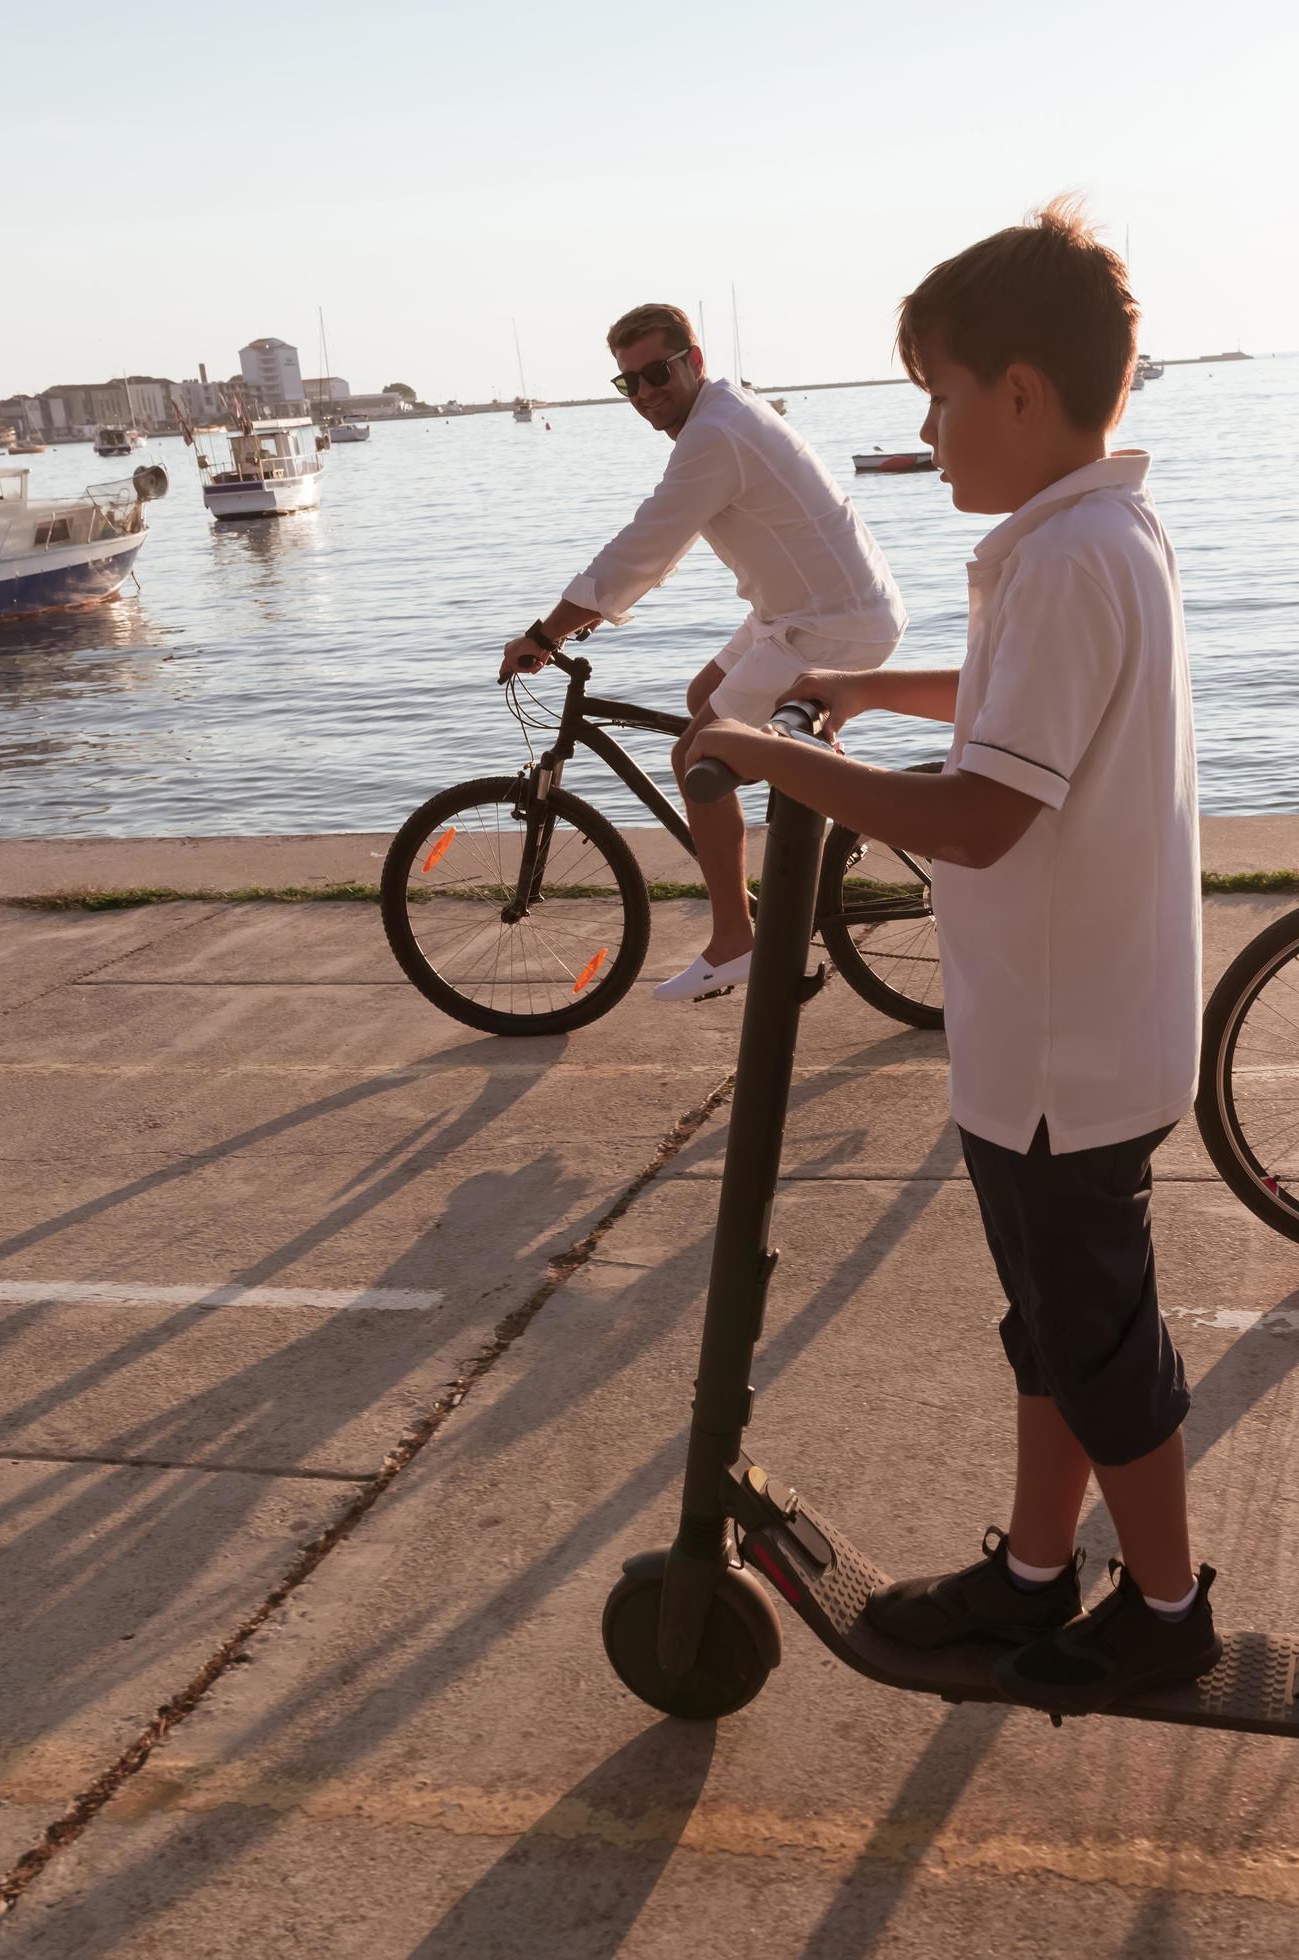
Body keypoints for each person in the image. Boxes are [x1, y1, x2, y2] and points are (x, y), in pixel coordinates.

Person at [686, 201, 1213, 1710]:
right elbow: (999, 703)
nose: (928, 432)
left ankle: (1167, 1609)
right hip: (1056, 1028)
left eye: (938, 395)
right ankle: (1036, 1573)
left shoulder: (1061, 562)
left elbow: (981, 817)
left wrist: (768, 756)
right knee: (1050, 1328)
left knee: (1102, 1348)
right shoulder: (1089, 534)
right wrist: (855, 689)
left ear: (1022, 393)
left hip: (1066, 1045)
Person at [500, 304, 908, 1001]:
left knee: (695, 758)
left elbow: (644, 544)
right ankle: (807, 820)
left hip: (828, 624)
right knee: (702, 701)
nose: (645, 392)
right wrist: (597, 607)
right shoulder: (721, 419)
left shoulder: (715, 432)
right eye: (629, 383)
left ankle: (736, 941)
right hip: (800, 612)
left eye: (656, 372)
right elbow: (666, 543)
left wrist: (548, 632)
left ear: (693, 360)